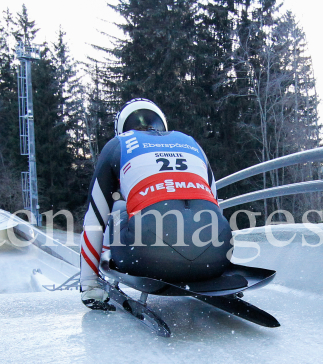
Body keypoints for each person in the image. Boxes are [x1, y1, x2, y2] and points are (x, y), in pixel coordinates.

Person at [80, 98, 232, 310]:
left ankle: (97, 281)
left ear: (122, 128)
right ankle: (201, 264)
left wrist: (88, 285)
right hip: (218, 254)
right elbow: (215, 205)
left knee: (117, 208)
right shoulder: (190, 141)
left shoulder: (118, 144)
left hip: (148, 258)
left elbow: (94, 218)